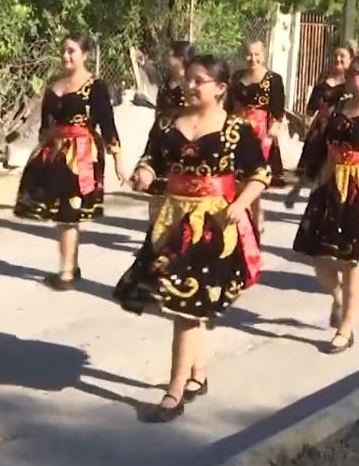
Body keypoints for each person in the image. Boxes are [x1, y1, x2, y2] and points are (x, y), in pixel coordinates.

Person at [114, 55, 270, 423]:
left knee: (185, 306)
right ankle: (196, 374)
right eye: (189, 79)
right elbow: (152, 158)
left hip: (214, 225)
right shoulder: (168, 122)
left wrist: (241, 203)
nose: (190, 85)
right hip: (172, 221)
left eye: (200, 80)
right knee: (186, 303)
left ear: (220, 88)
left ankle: (174, 391)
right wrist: (144, 173)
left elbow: (259, 173)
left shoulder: (237, 128)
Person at [292, 54, 359, 353]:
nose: (348, 76)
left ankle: (346, 327)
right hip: (329, 186)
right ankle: (338, 296)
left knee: (350, 261)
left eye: (354, 73)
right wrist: (307, 176)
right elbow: (322, 145)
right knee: (317, 255)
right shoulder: (340, 106)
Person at [14, 34, 126, 289]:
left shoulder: (95, 86)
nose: (66, 56)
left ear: (84, 55)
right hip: (55, 152)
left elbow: (107, 124)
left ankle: (65, 272)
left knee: (69, 212)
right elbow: (45, 127)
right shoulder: (54, 85)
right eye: (63, 51)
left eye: (72, 51)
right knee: (61, 213)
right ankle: (70, 266)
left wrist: (118, 158)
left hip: (83, 154)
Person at [286, 45, 354, 206]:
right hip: (321, 126)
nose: (338, 59)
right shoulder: (323, 82)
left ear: (351, 59)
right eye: (336, 55)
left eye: (342, 56)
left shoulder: (352, 84)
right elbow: (310, 109)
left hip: (341, 129)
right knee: (312, 159)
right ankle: (299, 189)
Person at [229, 40, 287, 229]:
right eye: (249, 54)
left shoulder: (273, 79)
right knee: (237, 176)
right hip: (237, 129)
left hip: (261, 133)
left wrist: (272, 133)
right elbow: (229, 105)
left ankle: (255, 215)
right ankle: (244, 214)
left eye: (256, 54)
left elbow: (278, 110)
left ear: (264, 55)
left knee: (255, 176)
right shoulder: (237, 77)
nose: (252, 59)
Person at [145, 41, 196, 219]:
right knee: (157, 187)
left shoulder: (191, 84)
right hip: (160, 136)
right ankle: (155, 231)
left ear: (179, 58)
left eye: (170, 54)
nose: (166, 57)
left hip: (179, 138)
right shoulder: (167, 82)